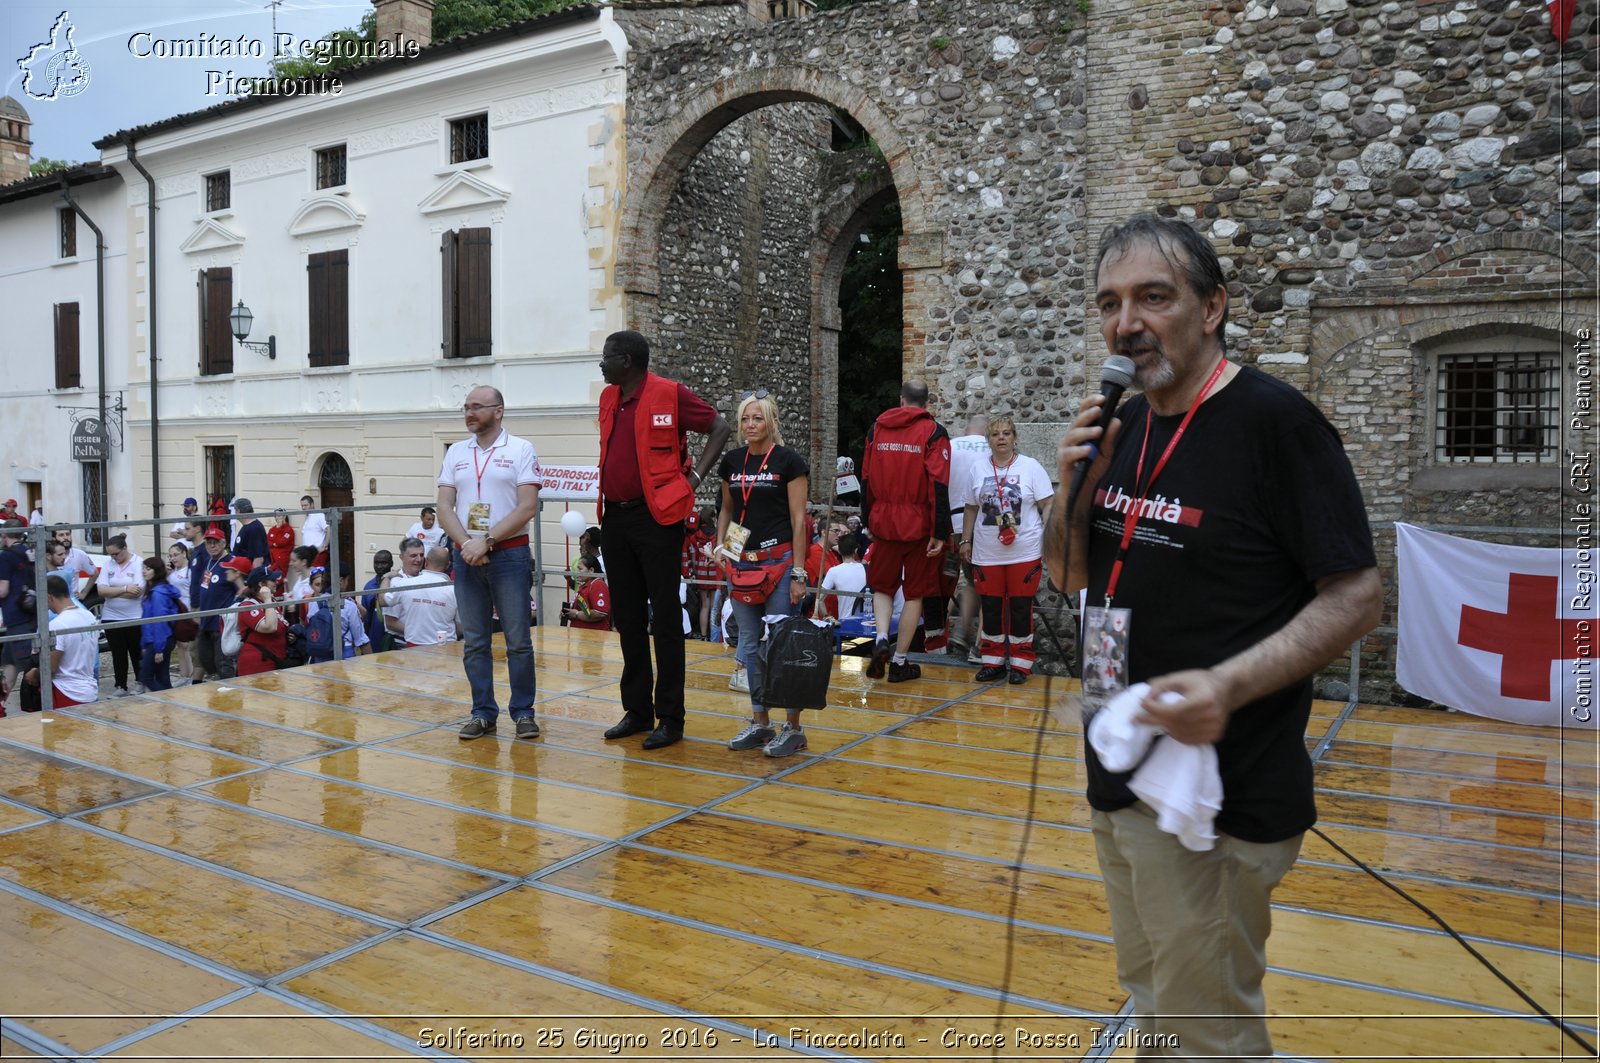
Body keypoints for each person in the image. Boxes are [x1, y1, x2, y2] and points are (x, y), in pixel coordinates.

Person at [1044, 214, 1383, 1058]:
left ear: (1213, 307)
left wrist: (1225, 686)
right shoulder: (1120, 423)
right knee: (1153, 994)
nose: (1128, 322)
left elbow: (1357, 596)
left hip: (1215, 798)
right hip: (1118, 764)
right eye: (1111, 303)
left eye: (1154, 297)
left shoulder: (1277, 424)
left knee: (1209, 1032)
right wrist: (1070, 488)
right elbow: (1066, 577)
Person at [594, 330, 731, 751]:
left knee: (666, 621)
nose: (601, 364)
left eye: (607, 357)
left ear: (628, 361)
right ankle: (636, 711)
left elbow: (720, 427)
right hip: (615, 518)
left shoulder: (669, 394)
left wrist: (692, 480)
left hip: (658, 518)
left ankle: (670, 717)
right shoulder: (608, 399)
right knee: (629, 620)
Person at [435, 385, 543, 740]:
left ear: (498, 411)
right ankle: (482, 712)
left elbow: (527, 506)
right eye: (465, 407)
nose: (469, 413)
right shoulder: (456, 453)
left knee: (517, 641)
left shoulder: (521, 449)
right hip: (467, 556)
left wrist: (488, 541)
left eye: (477, 407)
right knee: (476, 641)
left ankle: (523, 712)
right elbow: (444, 507)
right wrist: (467, 544)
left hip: (508, 553)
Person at [716, 390, 811, 757]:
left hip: (781, 563)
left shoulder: (788, 461)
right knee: (750, 646)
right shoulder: (732, 461)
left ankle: (794, 727)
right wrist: (720, 546)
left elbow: (799, 519)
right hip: (742, 565)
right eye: (745, 419)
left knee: (783, 646)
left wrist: (800, 572)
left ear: (771, 422)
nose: (750, 425)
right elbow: (726, 510)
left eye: (757, 418)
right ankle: (760, 722)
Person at [858, 379, 952, 682]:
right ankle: (899, 662)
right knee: (915, 594)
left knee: (882, 587)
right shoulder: (934, 433)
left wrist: (868, 519)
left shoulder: (877, 429)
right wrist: (940, 530)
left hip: (883, 520)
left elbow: (866, 479)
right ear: (927, 403)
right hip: (919, 525)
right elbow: (939, 484)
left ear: (901, 400)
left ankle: (883, 637)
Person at [956, 415, 1053, 685]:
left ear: (1014, 437)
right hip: (987, 553)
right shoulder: (977, 469)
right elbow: (971, 507)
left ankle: (1021, 664)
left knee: (1021, 607)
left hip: (1025, 551)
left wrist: (1049, 538)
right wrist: (965, 540)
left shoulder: (1031, 467)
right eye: (996, 434)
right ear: (988, 440)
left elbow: (1048, 504)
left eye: (1007, 433)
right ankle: (993, 661)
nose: (1001, 438)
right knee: (992, 607)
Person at [947, 414, 990, 660]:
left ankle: (962, 632)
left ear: (966, 430)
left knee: (972, 581)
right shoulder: (992, 448)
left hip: (954, 522)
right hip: (982, 521)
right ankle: (980, 644)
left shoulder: (951, 447)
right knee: (988, 583)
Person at [29, 576, 98, 708]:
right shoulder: (89, 616)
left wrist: (35, 673)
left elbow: (51, 668)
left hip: (67, 692)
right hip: (89, 689)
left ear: (49, 597)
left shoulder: (57, 625)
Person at [97, 533, 146, 697]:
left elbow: (137, 592)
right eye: (110, 554)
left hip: (134, 615)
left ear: (125, 548)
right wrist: (124, 589)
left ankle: (140, 681)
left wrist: (111, 593)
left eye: (116, 554)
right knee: (118, 653)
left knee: (136, 651)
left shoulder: (138, 563)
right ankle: (120, 685)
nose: (113, 557)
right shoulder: (108, 564)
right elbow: (101, 591)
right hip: (111, 615)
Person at [191, 527, 236, 682]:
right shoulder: (208, 561)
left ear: (223, 543)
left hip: (221, 624)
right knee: (205, 661)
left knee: (223, 664)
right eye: (209, 543)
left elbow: (241, 590)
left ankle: (232, 694)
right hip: (205, 622)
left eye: (215, 542)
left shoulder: (231, 563)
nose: (212, 546)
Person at [0, 523, 36, 707]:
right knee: (9, 663)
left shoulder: (5, 556)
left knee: (29, 666)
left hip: (17, 617)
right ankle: (2, 704)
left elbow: (2, 590)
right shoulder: (28, 551)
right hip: (29, 612)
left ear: (4, 535)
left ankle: (36, 704)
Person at [138, 555, 183, 692]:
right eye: (144, 568)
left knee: (146, 677)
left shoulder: (158, 594)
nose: (144, 571)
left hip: (160, 640)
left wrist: (158, 649)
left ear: (156, 571)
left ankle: (168, 702)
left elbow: (160, 621)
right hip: (158, 640)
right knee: (162, 678)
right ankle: (169, 707)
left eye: (148, 569)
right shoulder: (155, 590)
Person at [237, 568, 288, 675]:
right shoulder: (248, 606)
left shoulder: (269, 602)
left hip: (273, 660)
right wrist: (268, 599)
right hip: (256, 664)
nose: (276, 582)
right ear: (261, 584)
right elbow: (270, 627)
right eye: (272, 580)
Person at [166, 541, 198, 683]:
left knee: (187, 645)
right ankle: (183, 674)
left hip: (187, 609)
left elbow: (193, 592)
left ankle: (191, 675)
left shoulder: (190, 571)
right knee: (180, 645)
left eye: (176, 555)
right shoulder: (172, 572)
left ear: (184, 554)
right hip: (175, 611)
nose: (173, 558)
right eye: (170, 556)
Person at [817, 533, 868, 620]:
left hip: (844, 622)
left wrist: (827, 617)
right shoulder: (867, 569)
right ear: (855, 550)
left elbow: (819, 600)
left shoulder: (833, 571)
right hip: (866, 622)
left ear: (839, 550)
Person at [562, 556, 611, 631]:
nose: (577, 572)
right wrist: (568, 613)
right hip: (582, 636)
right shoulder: (584, 585)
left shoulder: (598, 585)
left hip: (594, 637)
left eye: (580, 569)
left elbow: (600, 613)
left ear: (591, 570)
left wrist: (576, 614)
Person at [362, 549, 395, 652]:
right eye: (377, 563)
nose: (380, 566)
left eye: (383, 563)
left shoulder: (398, 583)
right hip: (375, 636)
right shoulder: (369, 586)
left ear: (391, 564)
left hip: (396, 638)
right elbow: (366, 616)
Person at [230, 499, 268, 571]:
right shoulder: (248, 526)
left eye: (235, 510)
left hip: (247, 574)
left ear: (238, 511)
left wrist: (252, 580)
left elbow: (258, 559)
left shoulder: (254, 529)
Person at [299, 496, 329, 565]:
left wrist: (324, 546)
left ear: (312, 504)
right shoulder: (308, 517)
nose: (303, 508)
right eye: (302, 506)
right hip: (307, 555)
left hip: (317, 554)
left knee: (316, 575)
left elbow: (329, 529)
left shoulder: (319, 515)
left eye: (306, 505)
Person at [267, 508, 296, 577]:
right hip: (272, 559)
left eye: (279, 516)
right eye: (276, 516)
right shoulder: (272, 529)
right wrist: (274, 544)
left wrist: (279, 528)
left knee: (279, 581)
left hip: (281, 560)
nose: (277, 518)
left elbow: (281, 542)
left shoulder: (289, 530)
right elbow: (267, 542)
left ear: (284, 516)